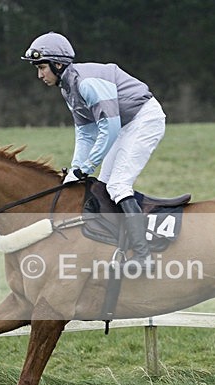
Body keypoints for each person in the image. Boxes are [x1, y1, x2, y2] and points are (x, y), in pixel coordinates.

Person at [22, 31, 166, 272]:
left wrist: (86, 168)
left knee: (118, 186)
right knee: (103, 185)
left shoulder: (86, 83)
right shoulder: (68, 88)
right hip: (123, 124)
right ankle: (116, 246)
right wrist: (76, 169)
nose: (39, 75)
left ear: (58, 64)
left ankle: (144, 256)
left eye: (42, 67)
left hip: (143, 119)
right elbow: (86, 133)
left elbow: (109, 128)